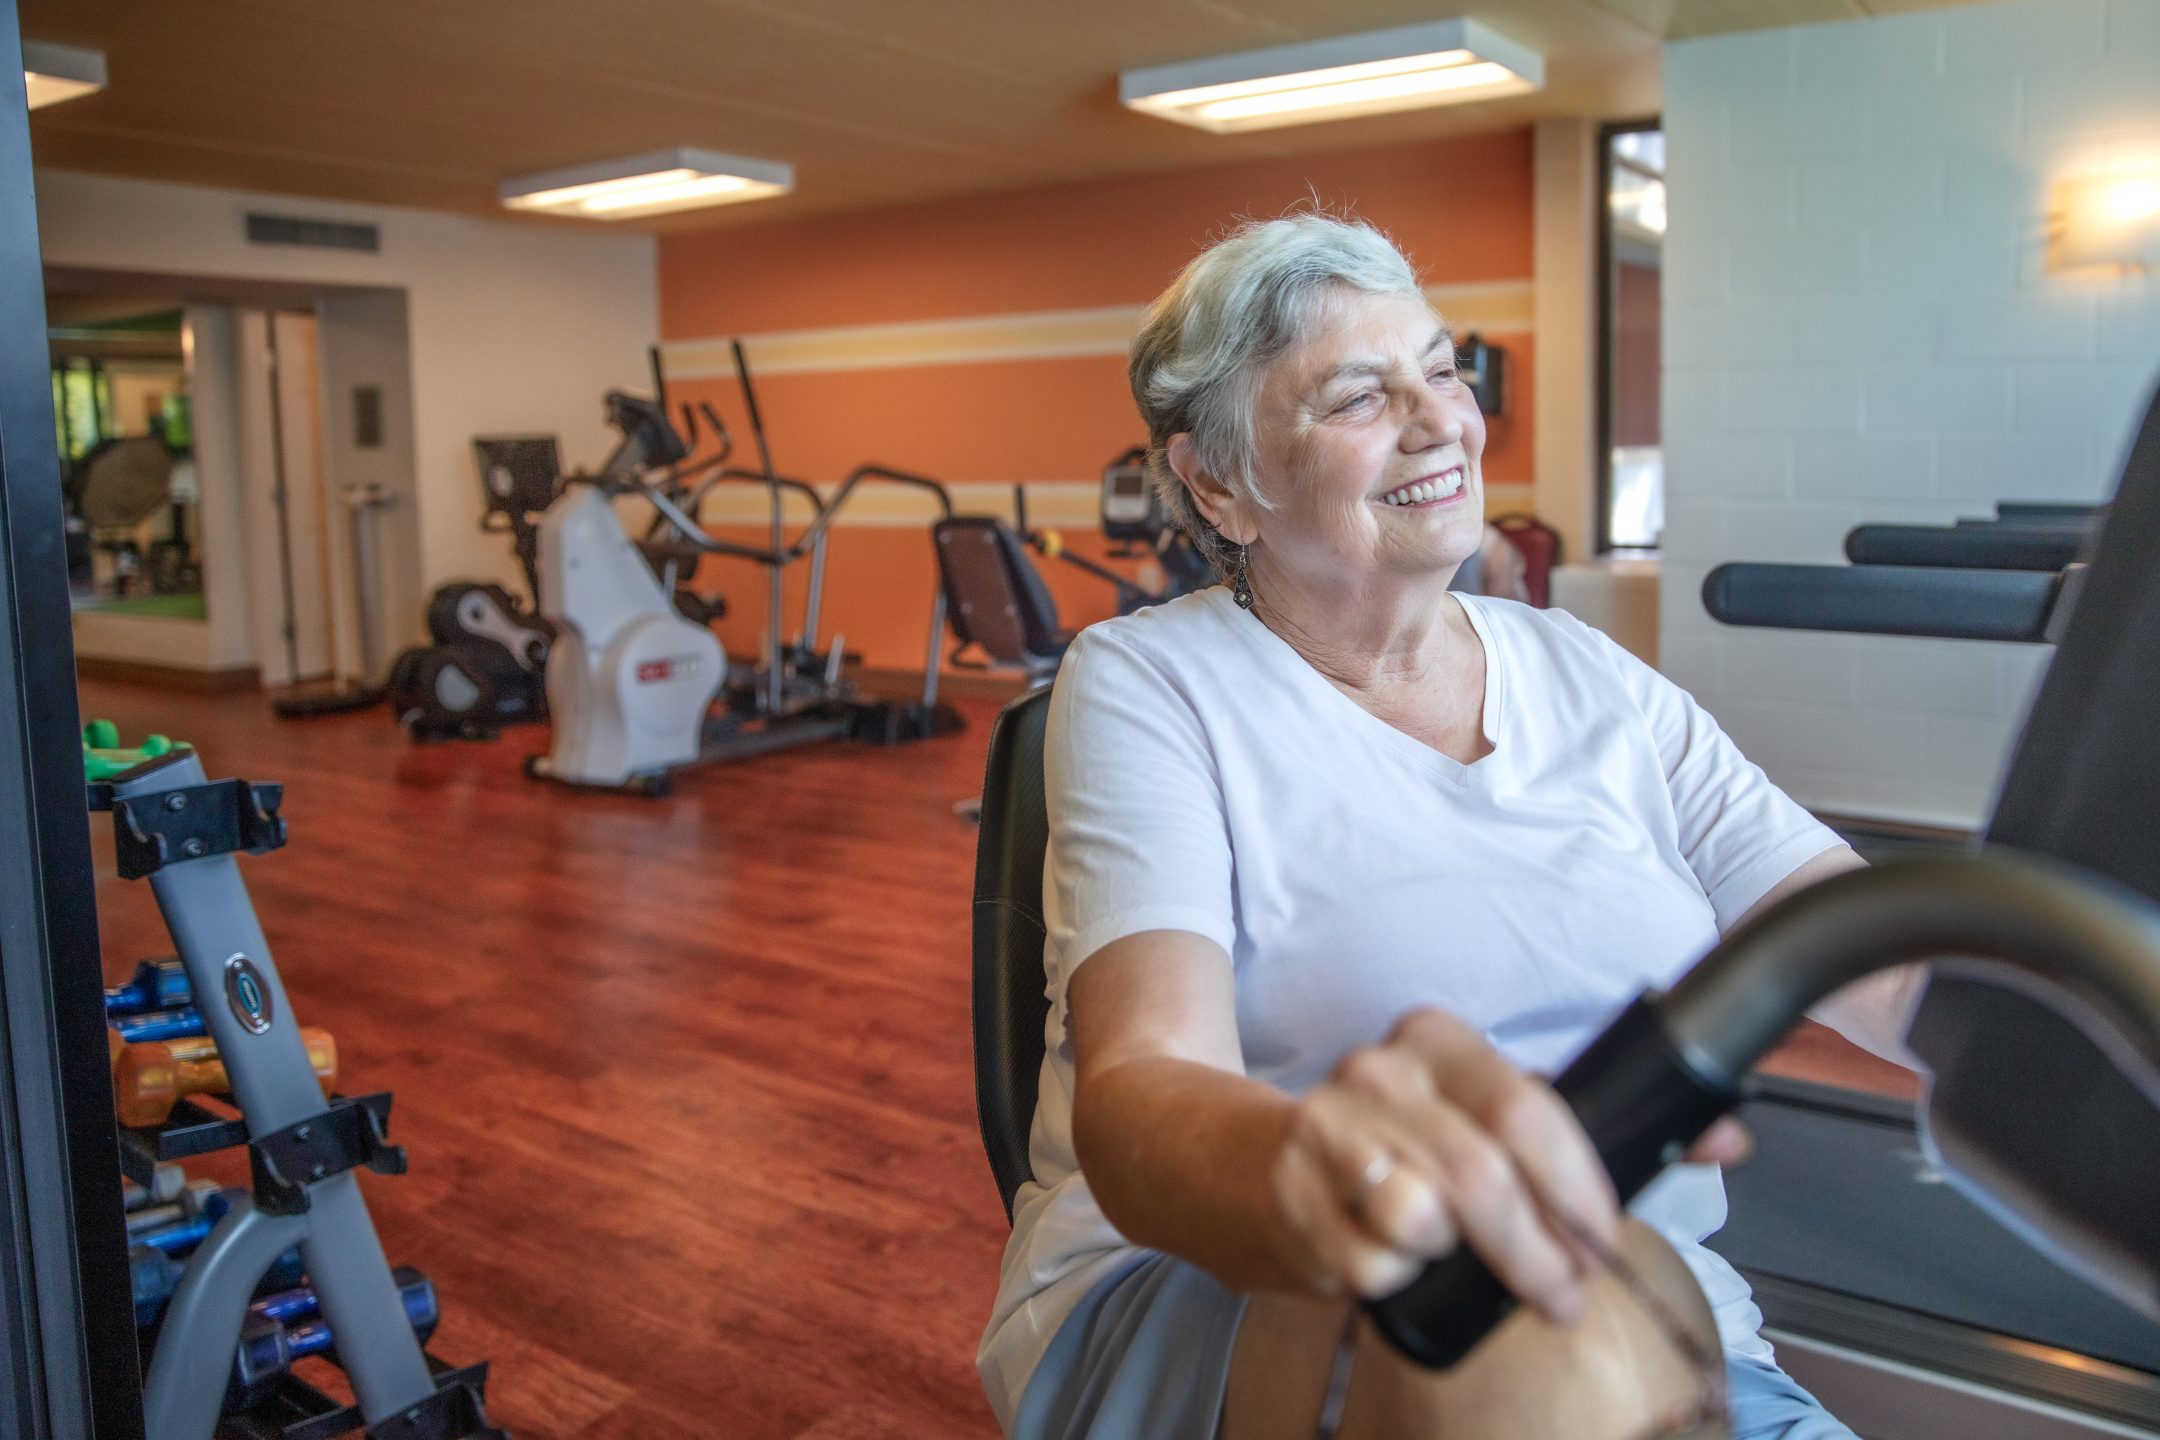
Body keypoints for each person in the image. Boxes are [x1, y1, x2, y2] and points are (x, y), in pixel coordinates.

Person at [977, 213, 1922, 1440]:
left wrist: (2080, 1028)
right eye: (1359, 396)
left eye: (1439, 368)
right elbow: (1140, 1085)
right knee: (1514, 1360)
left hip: (1644, 1320)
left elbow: (1860, 941)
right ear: (1218, 483)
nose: (1441, 422)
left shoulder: (1587, 669)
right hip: (1238, 1283)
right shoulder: (1151, 680)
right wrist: (1328, 1172)